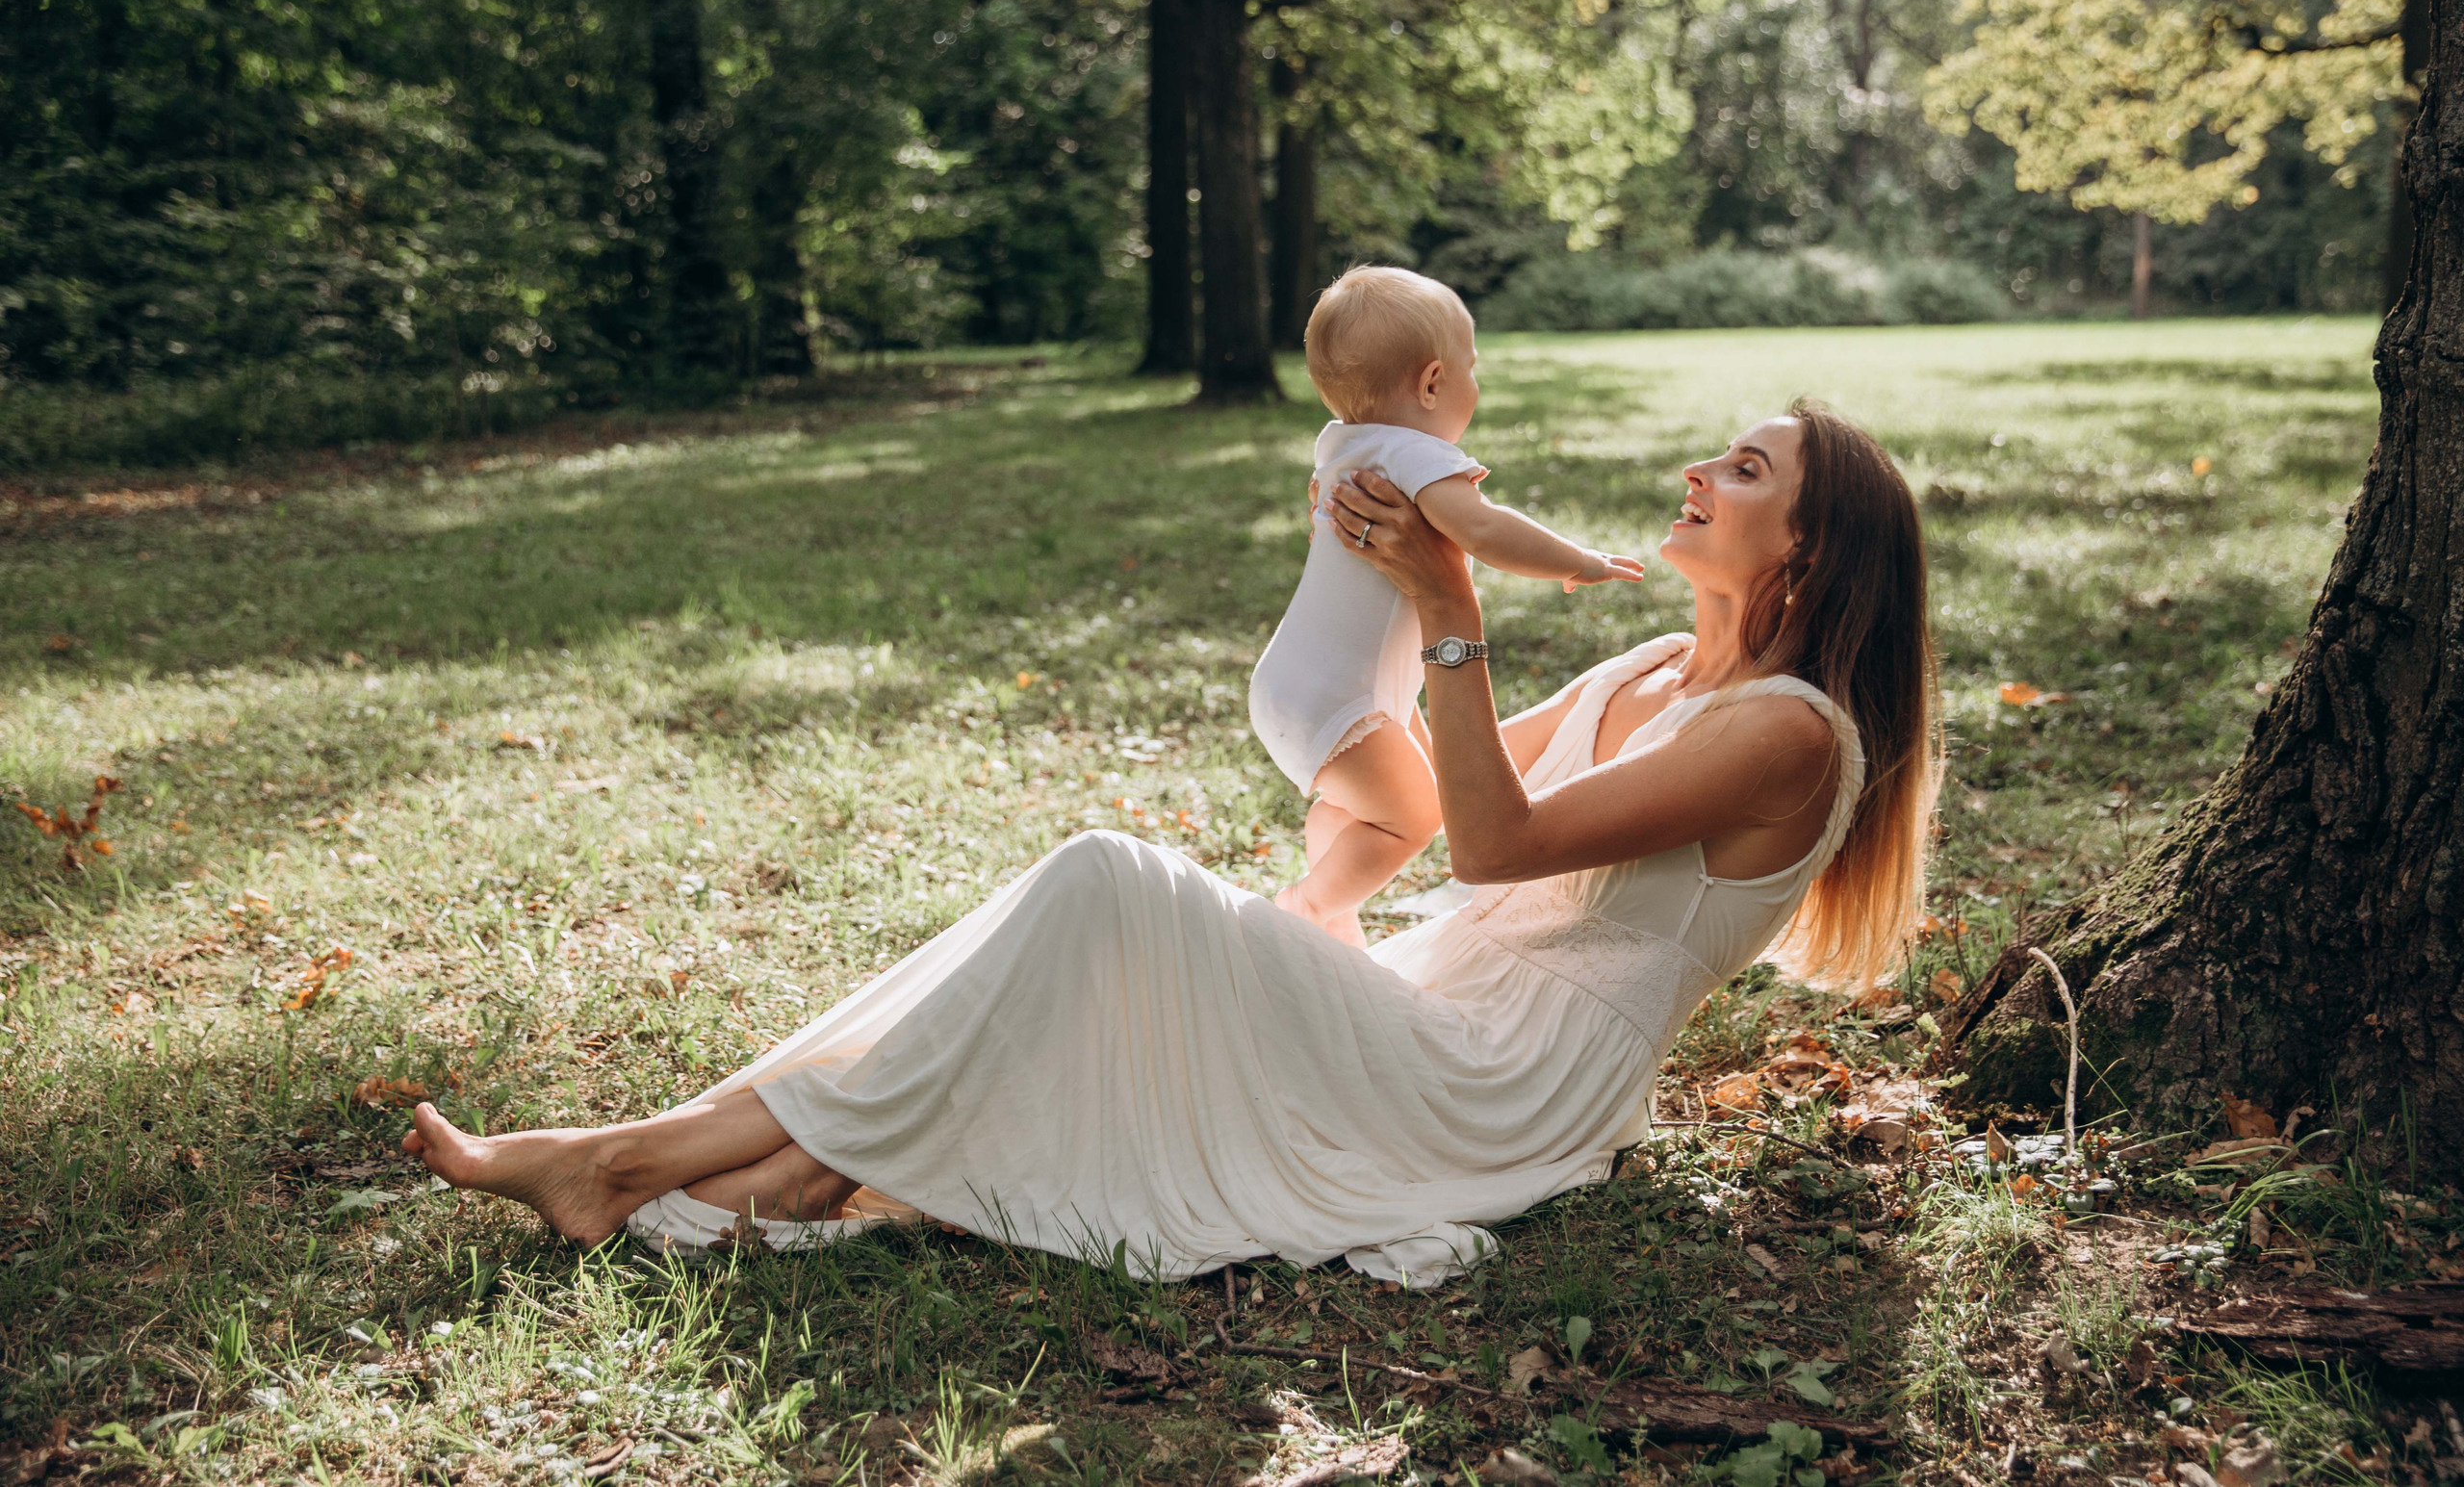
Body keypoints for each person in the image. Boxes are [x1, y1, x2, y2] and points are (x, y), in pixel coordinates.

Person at [402, 400, 1939, 1289]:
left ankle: (623, 1160)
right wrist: (1338, 671)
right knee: (1106, 940)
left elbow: (1492, 839)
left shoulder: (1788, 730)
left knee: (1102, 885)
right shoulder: (1656, 675)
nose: (1701, 471)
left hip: (1504, 1078)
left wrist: (1452, 606)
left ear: (1806, 546)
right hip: (1421, 999)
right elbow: (1417, 792)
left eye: (1746, 471)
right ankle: (727, 1174)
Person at [1250, 267, 1644, 945]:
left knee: (1374, 803)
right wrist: (1578, 561)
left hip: (1293, 684)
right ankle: (1307, 906)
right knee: (1416, 816)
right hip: (1340, 701)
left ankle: (1332, 900)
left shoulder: (1338, 444)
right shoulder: (1415, 453)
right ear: (1433, 382)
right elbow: (1486, 529)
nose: (1476, 384)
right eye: (1472, 367)